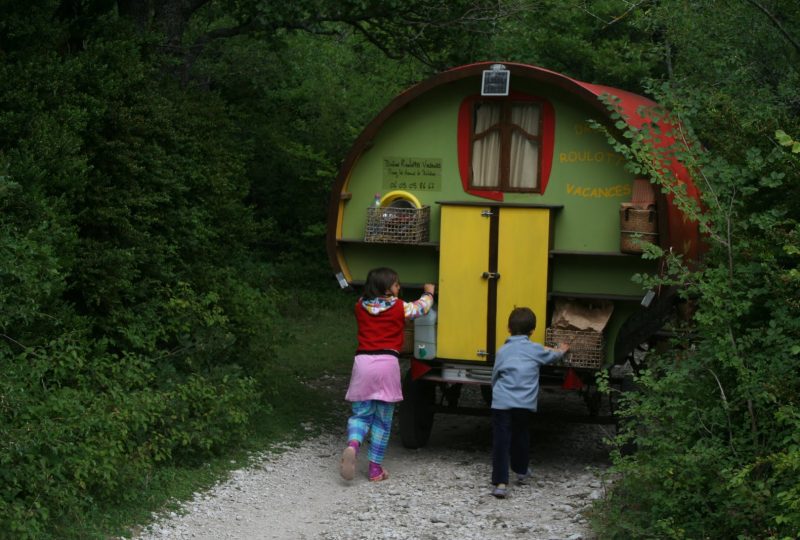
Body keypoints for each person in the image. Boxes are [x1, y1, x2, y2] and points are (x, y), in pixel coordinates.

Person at [340, 267, 435, 482]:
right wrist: (428, 293)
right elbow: (421, 309)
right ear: (387, 289)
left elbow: (369, 300)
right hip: (386, 363)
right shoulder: (400, 307)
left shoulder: (359, 306)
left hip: (363, 363)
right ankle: (374, 469)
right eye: (396, 284)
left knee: (361, 414)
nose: (399, 287)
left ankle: (353, 444)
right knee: (382, 421)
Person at [490, 307, 569, 498]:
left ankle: (500, 483)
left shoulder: (502, 351)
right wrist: (563, 349)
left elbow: (495, 376)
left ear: (508, 328)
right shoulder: (535, 349)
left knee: (501, 441)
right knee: (521, 436)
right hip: (524, 404)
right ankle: (521, 470)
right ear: (532, 331)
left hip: (502, 403)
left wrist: (496, 393)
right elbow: (553, 356)